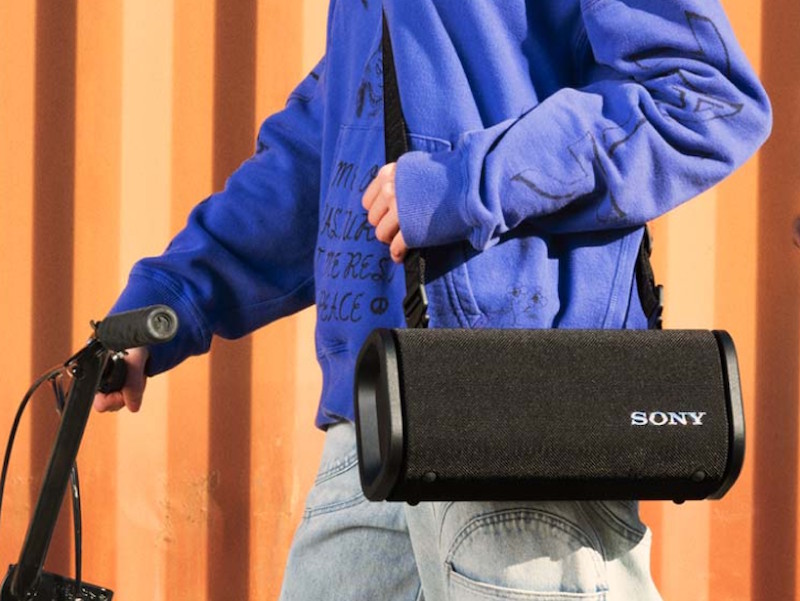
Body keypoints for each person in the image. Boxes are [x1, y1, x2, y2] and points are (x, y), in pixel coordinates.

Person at [94, 1, 771, 599]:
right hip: (378, 420)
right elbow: (331, 150)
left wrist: (463, 183)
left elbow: (705, 96)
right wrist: (170, 300)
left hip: (518, 404)